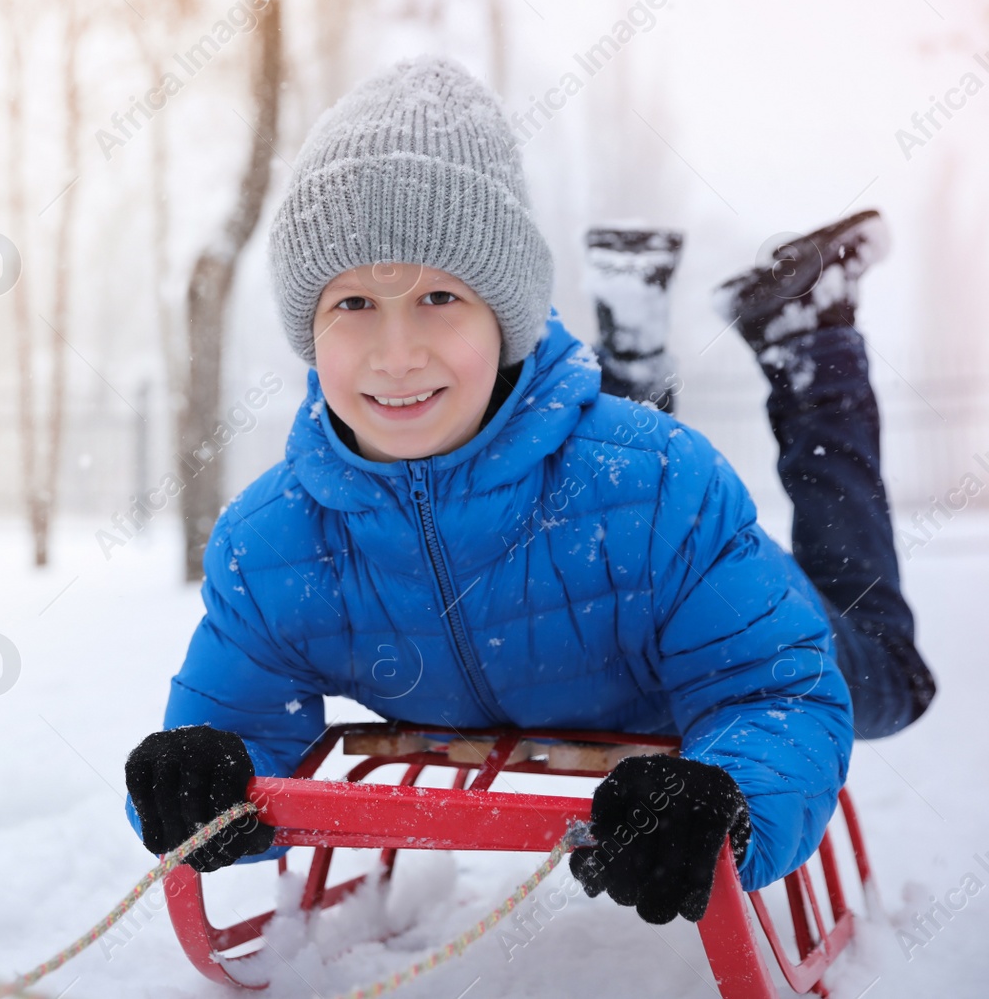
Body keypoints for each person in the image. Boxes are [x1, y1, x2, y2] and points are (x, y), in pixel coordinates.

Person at [122, 56, 936, 926]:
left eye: (439, 295)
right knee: (606, 475)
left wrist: (729, 793)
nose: (396, 353)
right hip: (613, 527)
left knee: (885, 670)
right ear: (308, 331)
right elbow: (241, 727)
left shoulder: (663, 485)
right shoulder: (272, 544)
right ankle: (634, 341)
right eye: (353, 303)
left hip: (697, 613)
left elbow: (775, 686)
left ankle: (814, 341)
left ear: (506, 319)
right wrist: (199, 778)